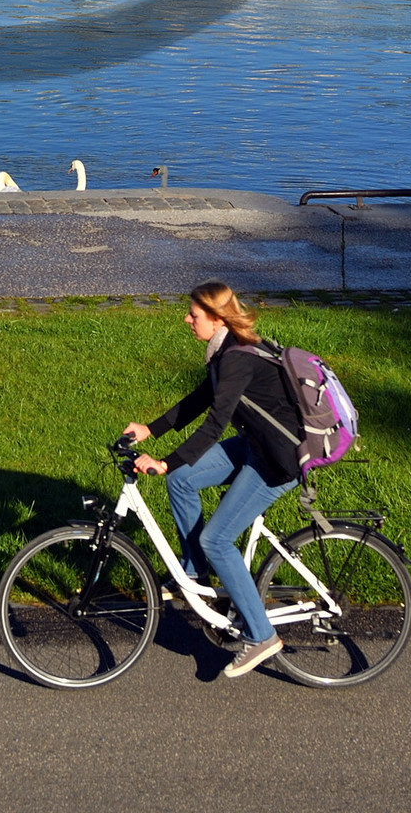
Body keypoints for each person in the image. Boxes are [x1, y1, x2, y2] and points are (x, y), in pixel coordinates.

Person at [122, 280, 302, 680]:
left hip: (278, 461)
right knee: (183, 480)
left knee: (217, 538)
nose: (187, 320)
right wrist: (150, 429)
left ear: (217, 318)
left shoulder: (236, 357)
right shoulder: (225, 350)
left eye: (194, 315)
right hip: (256, 446)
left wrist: (166, 461)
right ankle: (195, 573)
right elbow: (200, 399)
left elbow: (215, 424)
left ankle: (261, 636)